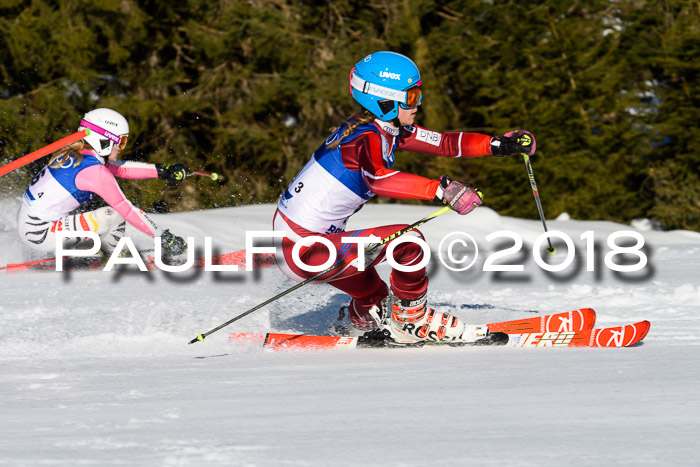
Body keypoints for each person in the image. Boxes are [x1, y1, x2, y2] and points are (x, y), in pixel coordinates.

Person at [273, 51, 536, 345]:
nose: (418, 103)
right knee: (409, 243)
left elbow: (445, 143)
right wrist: (439, 189)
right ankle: (412, 322)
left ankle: (357, 326)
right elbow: (379, 179)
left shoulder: (383, 128)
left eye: (418, 94)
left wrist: (499, 145)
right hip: (305, 250)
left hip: (311, 245)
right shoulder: (364, 138)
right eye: (411, 97)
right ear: (384, 100)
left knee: (375, 296)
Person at [17, 108, 189, 263]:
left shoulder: (80, 156)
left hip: (32, 225)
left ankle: (98, 251)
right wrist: (164, 238)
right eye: (121, 142)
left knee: (108, 215)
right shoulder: (94, 170)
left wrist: (162, 171)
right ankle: (112, 255)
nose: (122, 148)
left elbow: (121, 168)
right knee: (114, 216)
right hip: (40, 234)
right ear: (105, 141)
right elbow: (127, 210)